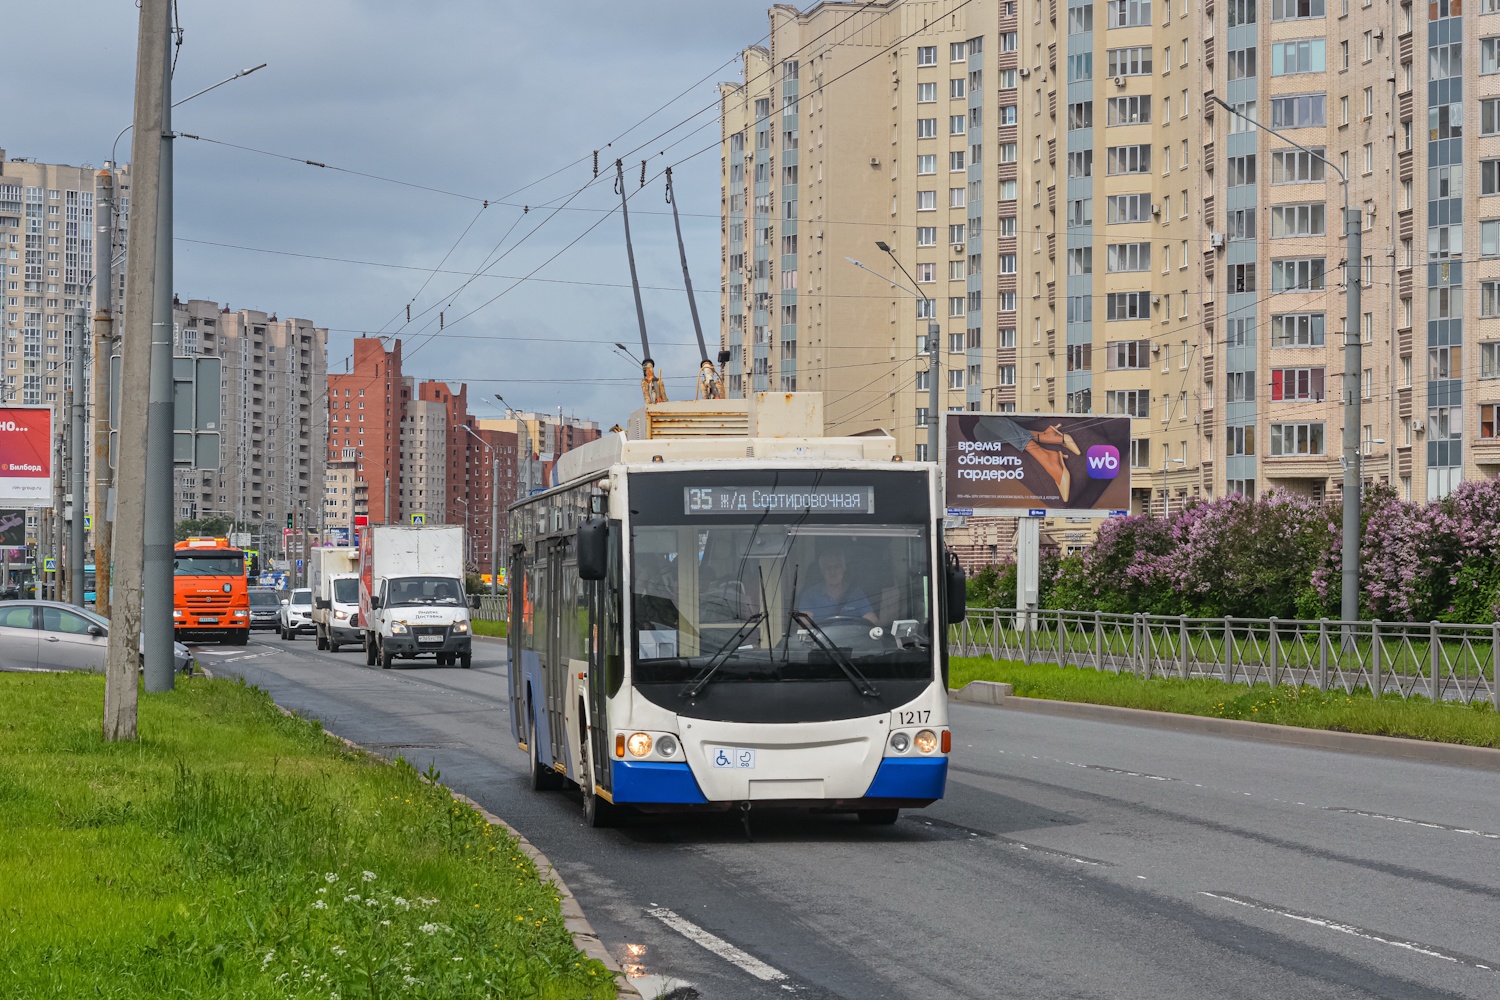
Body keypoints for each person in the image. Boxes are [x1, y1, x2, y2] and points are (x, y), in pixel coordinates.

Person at [798, 546, 878, 624]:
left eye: (837, 566)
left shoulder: (856, 593)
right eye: (828, 567)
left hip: (853, 637)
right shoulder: (810, 595)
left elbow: (872, 622)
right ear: (822, 572)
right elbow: (805, 628)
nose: (833, 572)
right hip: (820, 637)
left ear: (844, 568)